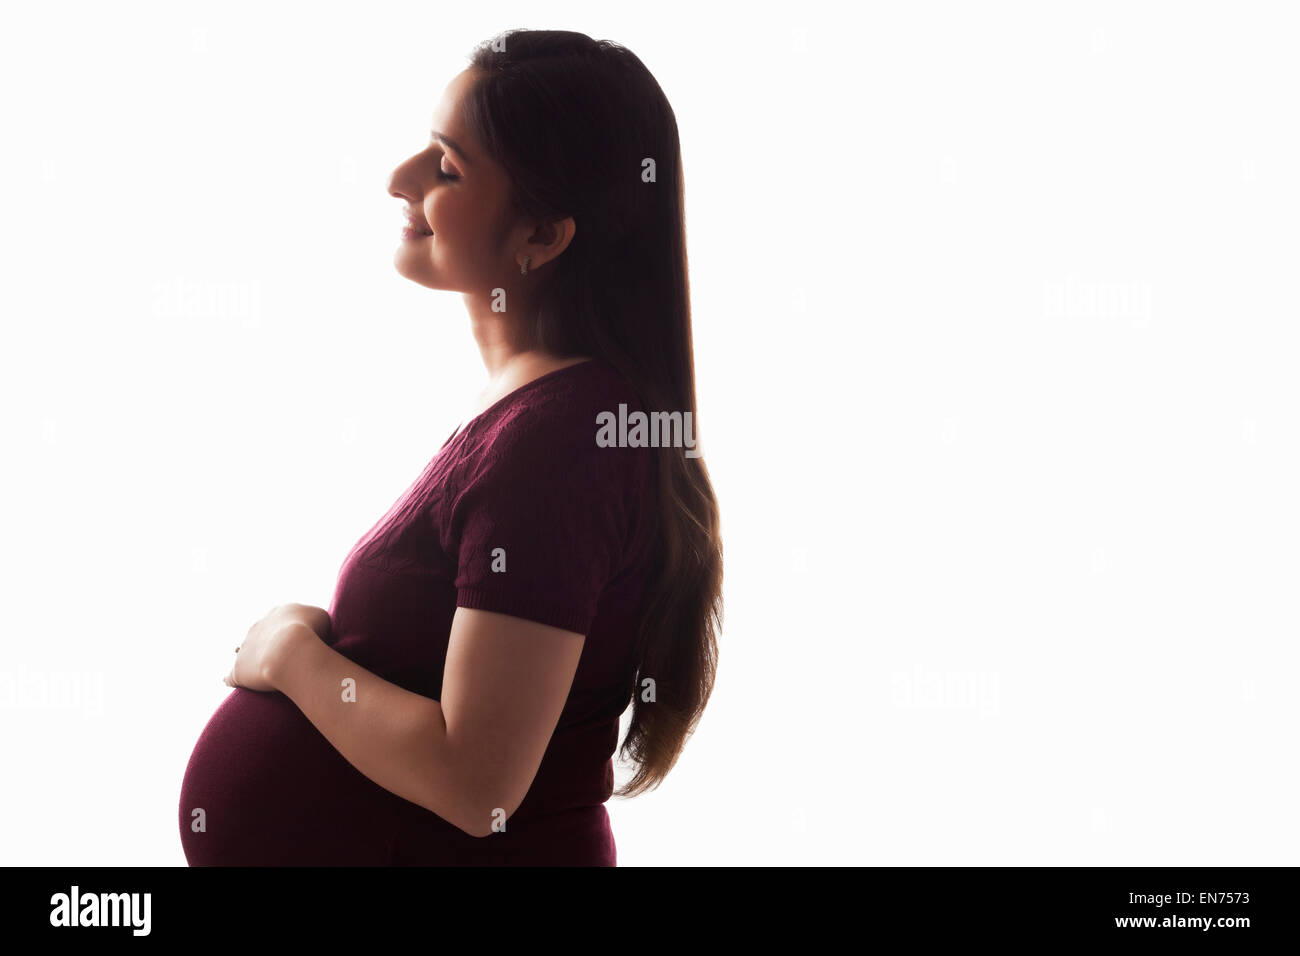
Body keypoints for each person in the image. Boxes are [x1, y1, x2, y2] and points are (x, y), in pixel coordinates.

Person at [179, 28, 723, 866]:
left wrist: (292, 657)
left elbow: (479, 786)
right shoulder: (540, 412)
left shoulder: (562, 439)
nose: (401, 180)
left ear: (541, 237)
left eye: (447, 167)